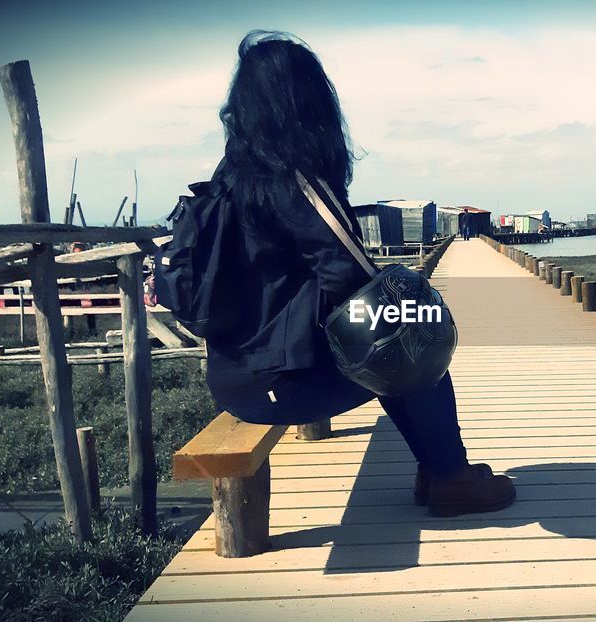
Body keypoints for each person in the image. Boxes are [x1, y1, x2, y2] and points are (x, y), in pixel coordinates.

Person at [199, 31, 514, 516]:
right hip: (283, 385)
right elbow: (357, 281)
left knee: (389, 337)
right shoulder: (293, 182)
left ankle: (438, 469)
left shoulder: (228, 178)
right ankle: (451, 478)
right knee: (412, 336)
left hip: (232, 380)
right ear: (307, 103)